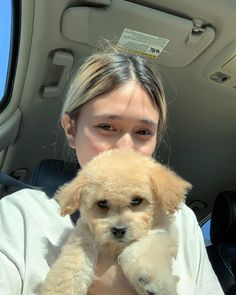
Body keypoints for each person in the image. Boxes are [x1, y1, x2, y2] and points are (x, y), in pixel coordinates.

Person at [0, 44, 224, 295]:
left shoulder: (181, 219)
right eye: (107, 127)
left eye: (143, 132)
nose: (125, 147)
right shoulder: (19, 215)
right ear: (71, 129)